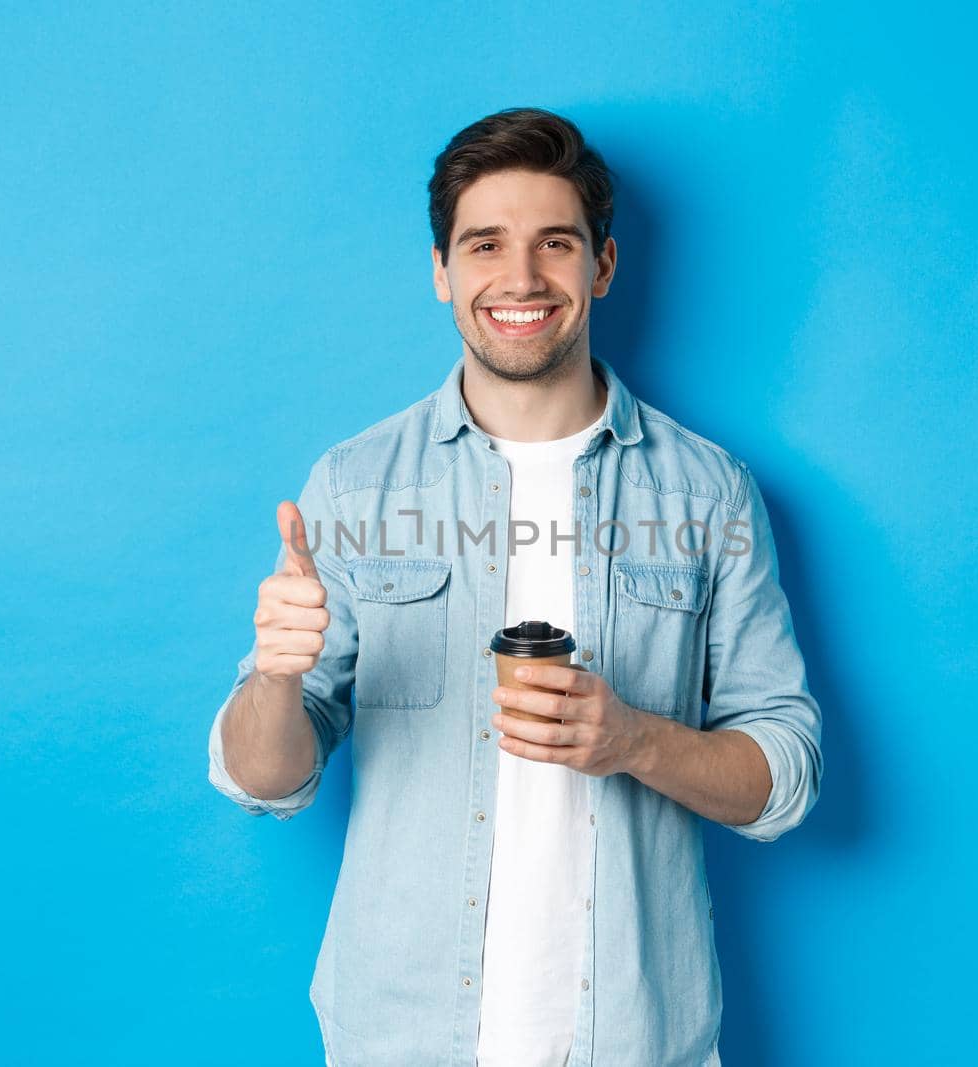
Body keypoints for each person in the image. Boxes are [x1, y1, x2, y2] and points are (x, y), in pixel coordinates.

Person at [207, 107, 823, 1067]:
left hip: (637, 1040)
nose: (522, 278)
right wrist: (278, 678)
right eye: (485, 244)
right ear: (442, 272)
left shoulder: (710, 492)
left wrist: (633, 740)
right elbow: (263, 780)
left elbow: (785, 777)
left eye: (556, 244)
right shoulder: (355, 484)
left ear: (603, 267)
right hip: (400, 1037)